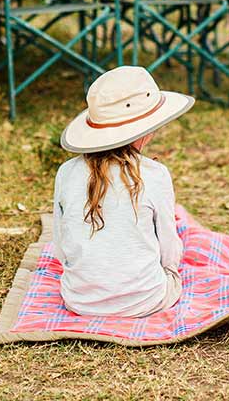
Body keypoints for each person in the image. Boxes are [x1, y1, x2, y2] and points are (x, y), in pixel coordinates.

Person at [52, 66, 194, 317]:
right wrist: (168, 271)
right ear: (149, 128)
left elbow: (61, 247)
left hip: (80, 301)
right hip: (145, 300)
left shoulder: (66, 172)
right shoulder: (155, 174)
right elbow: (169, 249)